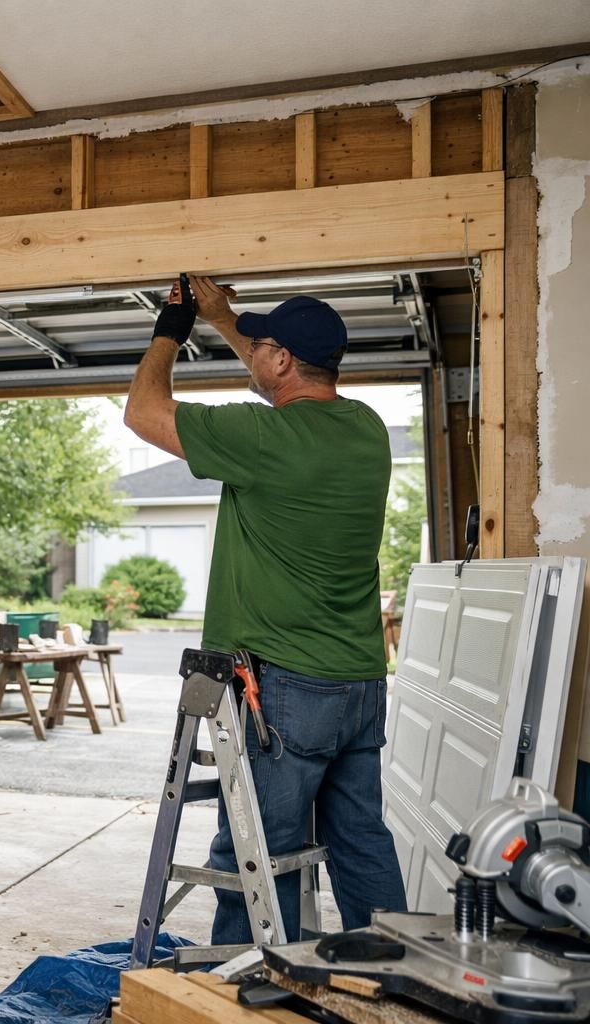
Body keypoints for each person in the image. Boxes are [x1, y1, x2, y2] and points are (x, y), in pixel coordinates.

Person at [123, 275, 408, 945]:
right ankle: (398, 983)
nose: (254, 353)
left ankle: (243, 996)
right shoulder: (365, 431)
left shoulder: (261, 438)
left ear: (281, 359)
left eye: (263, 346)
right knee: (361, 840)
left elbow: (143, 411)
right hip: (359, 686)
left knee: (257, 853)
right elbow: (269, 368)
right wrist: (225, 319)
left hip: (284, 691)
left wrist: (173, 330)